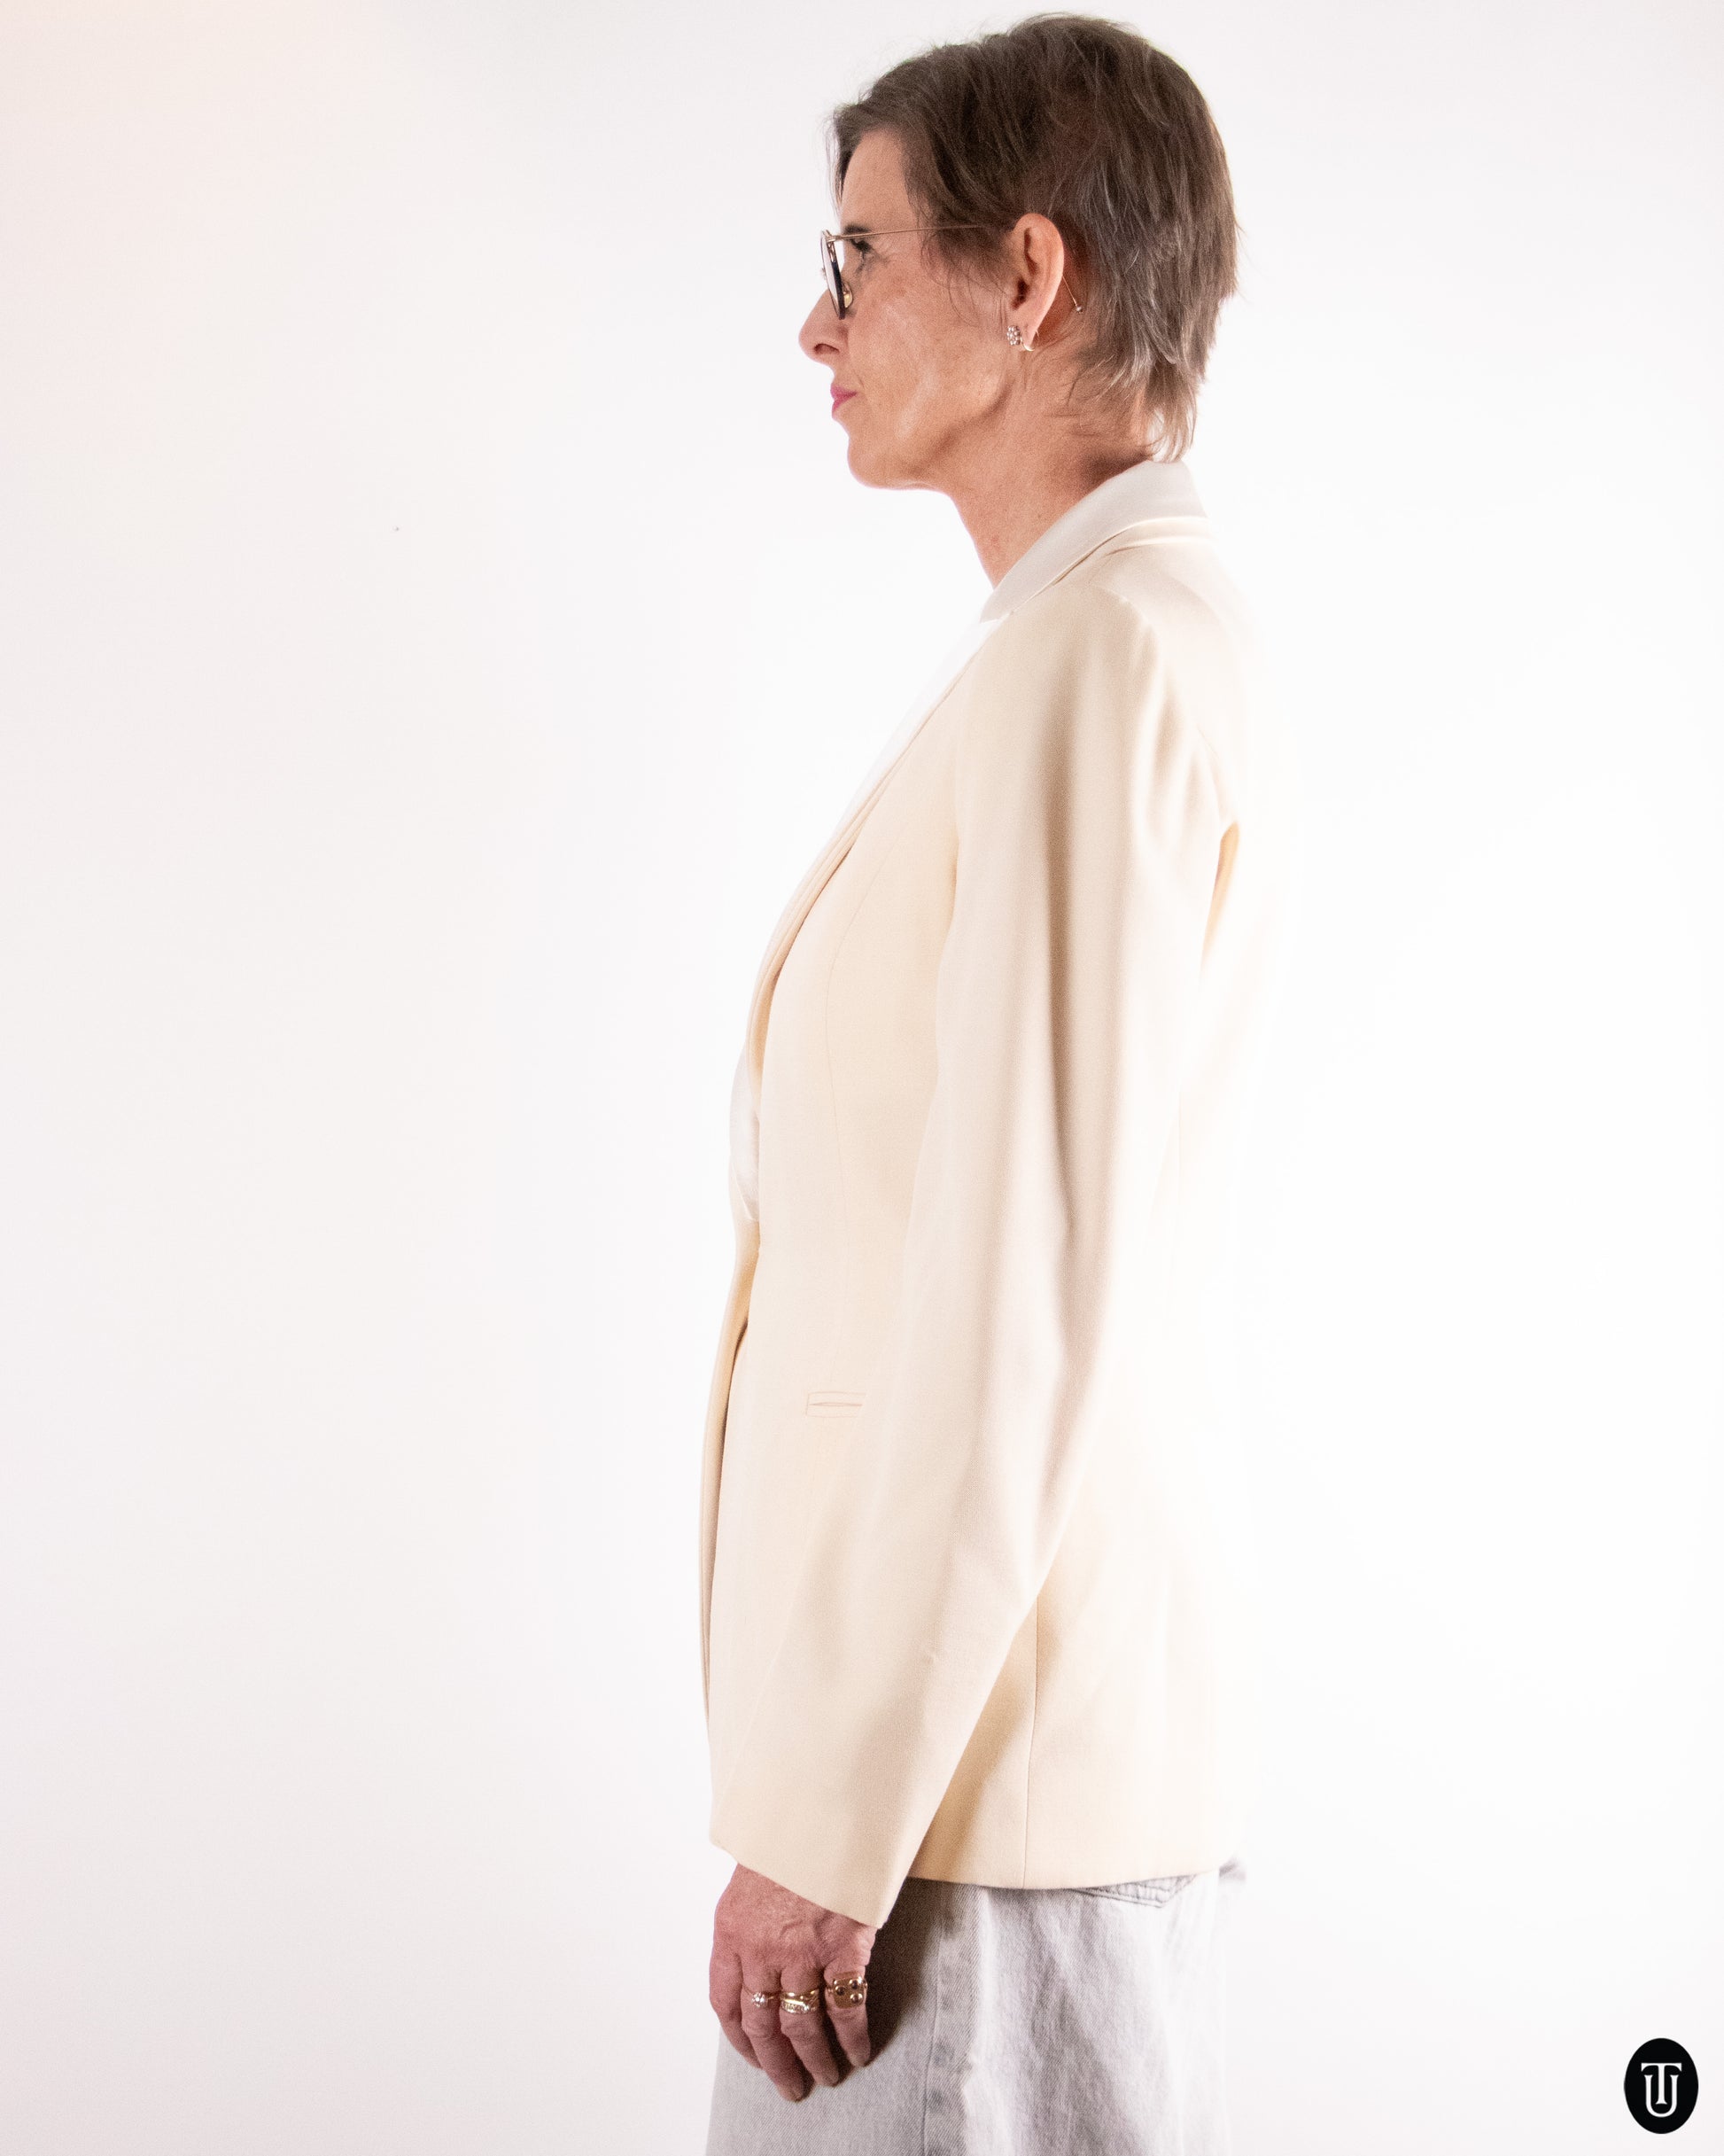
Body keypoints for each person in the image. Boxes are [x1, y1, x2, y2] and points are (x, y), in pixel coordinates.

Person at [696, 17, 1297, 2152]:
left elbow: (1013, 1290)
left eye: (857, 258)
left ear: (1027, 277)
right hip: (975, 1798)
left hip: (968, 1828)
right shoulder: (1098, 637)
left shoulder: (1097, 655)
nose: (817, 324)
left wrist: (832, 1820)